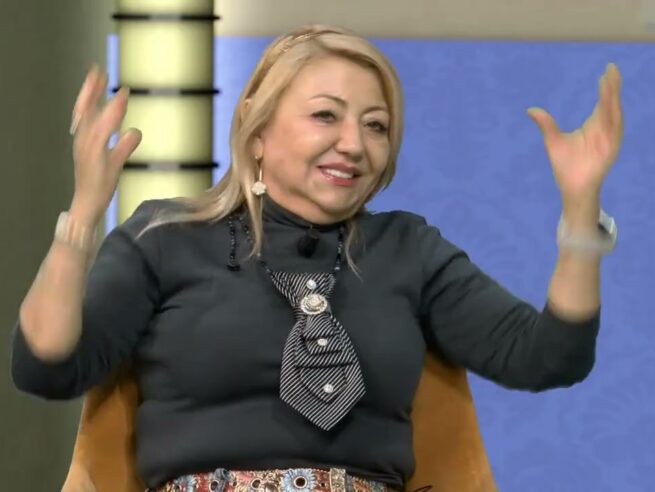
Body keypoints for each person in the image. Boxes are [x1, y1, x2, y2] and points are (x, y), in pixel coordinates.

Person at [10, 24, 622, 492]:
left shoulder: (408, 248)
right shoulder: (167, 236)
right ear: (257, 129)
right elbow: (46, 367)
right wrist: (85, 213)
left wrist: (579, 216)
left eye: (376, 126)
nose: (354, 144)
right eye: (326, 115)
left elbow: (549, 357)